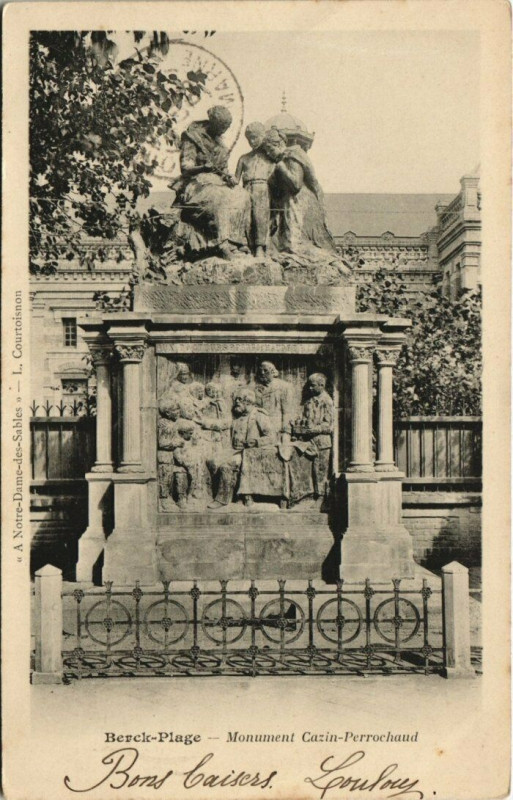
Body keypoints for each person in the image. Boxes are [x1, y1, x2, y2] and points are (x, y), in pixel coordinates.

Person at [174, 105, 251, 260]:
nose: (223, 131)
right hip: (196, 184)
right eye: (221, 127)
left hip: (216, 182)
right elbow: (185, 167)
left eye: (226, 127)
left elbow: (222, 169)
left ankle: (238, 242)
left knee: (243, 195)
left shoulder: (221, 145)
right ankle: (222, 244)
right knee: (219, 196)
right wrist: (203, 167)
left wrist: (227, 177)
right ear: (213, 123)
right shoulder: (193, 137)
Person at [265, 129, 336, 255]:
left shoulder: (292, 156)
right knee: (284, 244)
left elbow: (296, 184)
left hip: (299, 201)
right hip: (288, 202)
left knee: (293, 245)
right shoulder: (283, 158)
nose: (269, 154)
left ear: (279, 144)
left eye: (270, 150)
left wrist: (280, 166)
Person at [208, 389, 274, 509]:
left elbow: (271, 437)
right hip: (234, 450)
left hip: (251, 453)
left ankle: (222, 499)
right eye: (236, 399)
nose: (236, 402)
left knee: (226, 466)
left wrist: (256, 442)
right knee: (212, 461)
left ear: (248, 401)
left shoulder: (259, 416)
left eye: (239, 400)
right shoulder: (237, 415)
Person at [235, 122, 276, 257]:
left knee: (260, 217)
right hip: (246, 189)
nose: (252, 141)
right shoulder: (243, 158)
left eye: (255, 137)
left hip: (262, 188)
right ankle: (245, 245)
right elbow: (236, 179)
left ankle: (260, 247)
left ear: (262, 136)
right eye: (249, 139)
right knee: (246, 217)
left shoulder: (270, 158)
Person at [291, 373, 333, 497]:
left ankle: (321, 497)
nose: (310, 388)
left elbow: (329, 426)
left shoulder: (327, 401)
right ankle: (309, 493)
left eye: (313, 385)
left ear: (322, 385)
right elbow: (304, 418)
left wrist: (314, 429)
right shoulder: (309, 401)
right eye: (309, 385)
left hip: (322, 442)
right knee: (309, 469)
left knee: (320, 470)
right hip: (309, 441)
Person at [254, 361, 294, 443]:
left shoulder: (284, 387)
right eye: (260, 370)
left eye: (265, 370)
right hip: (260, 427)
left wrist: (286, 432)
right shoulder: (255, 387)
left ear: (273, 372)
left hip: (277, 427)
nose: (262, 373)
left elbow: (287, 412)